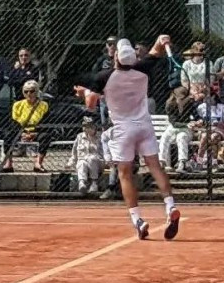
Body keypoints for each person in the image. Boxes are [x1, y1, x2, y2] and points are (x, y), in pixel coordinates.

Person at [76, 35, 179, 240]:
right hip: (144, 126)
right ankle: (170, 206)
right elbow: (157, 49)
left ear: (116, 58)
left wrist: (84, 92)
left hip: (123, 130)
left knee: (124, 174)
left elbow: (90, 105)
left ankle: (137, 219)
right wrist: (161, 39)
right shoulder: (143, 68)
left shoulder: (103, 77)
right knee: (155, 166)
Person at [1, 80, 50, 173]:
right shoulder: (17, 105)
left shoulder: (44, 105)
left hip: (37, 131)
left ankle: (38, 163)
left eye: (32, 91)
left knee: (46, 136)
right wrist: (23, 133)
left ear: (36, 92)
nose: (29, 94)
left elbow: (46, 122)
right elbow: (14, 122)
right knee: (7, 135)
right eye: (26, 91)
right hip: (20, 131)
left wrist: (34, 134)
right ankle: (8, 164)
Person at [67, 117, 105, 195]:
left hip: (97, 161)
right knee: (81, 163)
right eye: (85, 126)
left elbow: (104, 152)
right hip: (83, 159)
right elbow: (74, 152)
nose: (86, 128)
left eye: (89, 126)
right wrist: (70, 162)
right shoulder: (79, 136)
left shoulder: (100, 137)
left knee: (92, 159)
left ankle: (94, 183)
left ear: (94, 126)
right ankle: (82, 183)